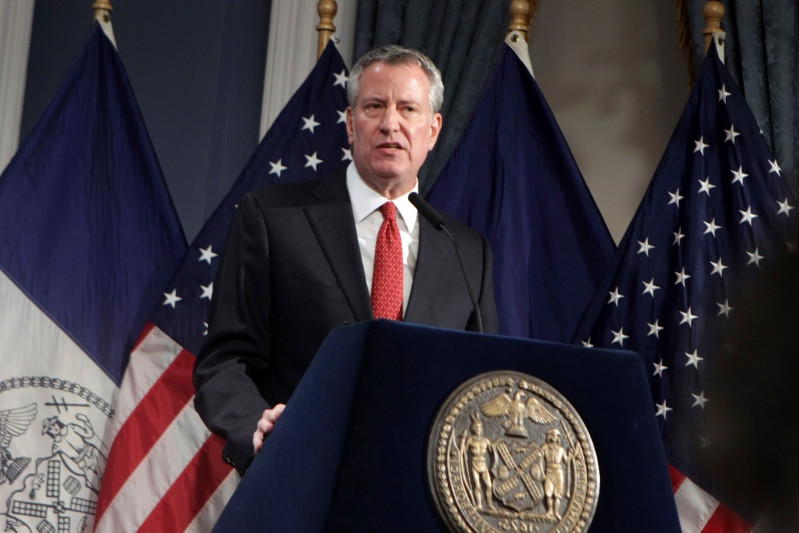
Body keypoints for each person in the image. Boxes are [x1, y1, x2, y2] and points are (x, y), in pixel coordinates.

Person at [193, 45, 498, 475]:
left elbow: (484, 384)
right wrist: (255, 426)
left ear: (433, 130)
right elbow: (224, 362)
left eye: (408, 109)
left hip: (416, 487)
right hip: (300, 473)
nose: (390, 123)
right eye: (374, 106)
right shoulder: (274, 218)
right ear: (351, 124)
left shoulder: (467, 253)